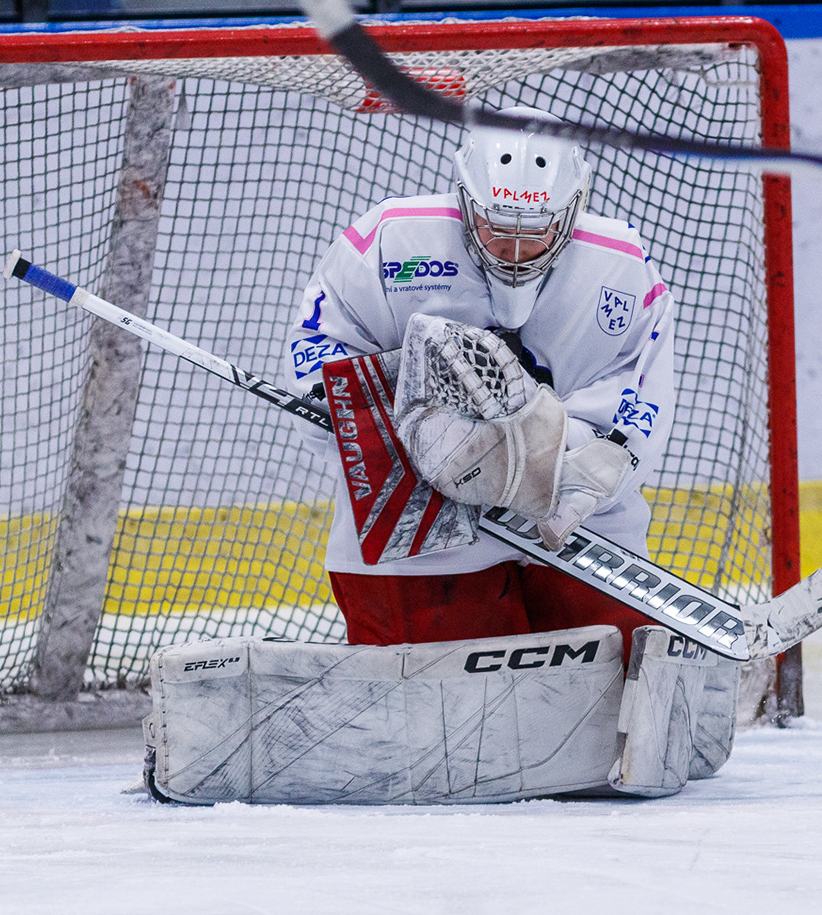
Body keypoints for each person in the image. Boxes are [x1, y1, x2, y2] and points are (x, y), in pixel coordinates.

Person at [285, 107, 675, 647]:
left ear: (573, 209)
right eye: (497, 230)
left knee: (619, 671)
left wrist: (576, 466)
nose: (514, 252)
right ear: (466, 201)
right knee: (430, 696)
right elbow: (320, 349)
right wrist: (408, 438)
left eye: (535, 233)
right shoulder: (390, 239)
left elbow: (638, 393)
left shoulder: (622, 267)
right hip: (420, 524)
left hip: (572, 523)